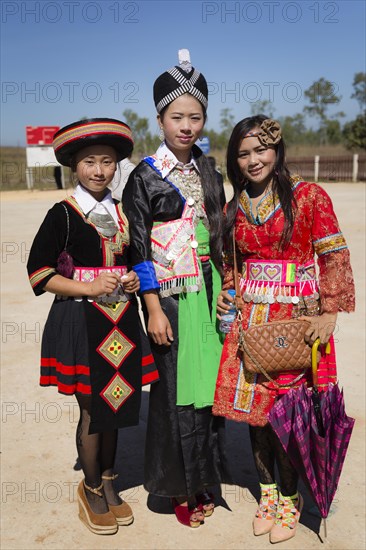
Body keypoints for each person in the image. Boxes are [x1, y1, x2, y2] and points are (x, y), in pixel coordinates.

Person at [213, 115, 355, 543]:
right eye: (243, 154)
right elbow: (231, 266)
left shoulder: (308, 197)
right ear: (234, 161)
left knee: (287, 416)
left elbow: (333, 254)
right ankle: (268, 495)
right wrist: (228, 294)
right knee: (255, 418)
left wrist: (329, 314)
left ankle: (291, 500)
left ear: (277, 149)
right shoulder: (232, 207)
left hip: (297, 321)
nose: (253, 160)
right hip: (251, 321)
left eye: (260, 149)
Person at [27, 118, 158, 536]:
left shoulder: (121, 213)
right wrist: (86, 284)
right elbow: (39, 273)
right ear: (74, 166)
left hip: (122, 321)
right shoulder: (63, 214)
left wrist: (135, 278)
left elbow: (136, 260)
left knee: (118, 405)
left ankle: (108, 481)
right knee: (91, 407)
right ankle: (88, 487)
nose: (99, 170)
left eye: (107, 162)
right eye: (89, 162)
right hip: (82, 321)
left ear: (117, 165)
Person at [122, 50, 227, 528]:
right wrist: (153, 310)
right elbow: (138, 250)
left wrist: (229, 287)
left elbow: (222, 232)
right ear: (160, 118)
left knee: (208, 389)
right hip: (169, 296)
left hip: (209, 287)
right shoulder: (144, 176)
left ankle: (206, 479)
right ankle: (177, 489)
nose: (187, 125)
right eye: (177, 116)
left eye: (196, 116)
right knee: (173, 395)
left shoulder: (210, 170)